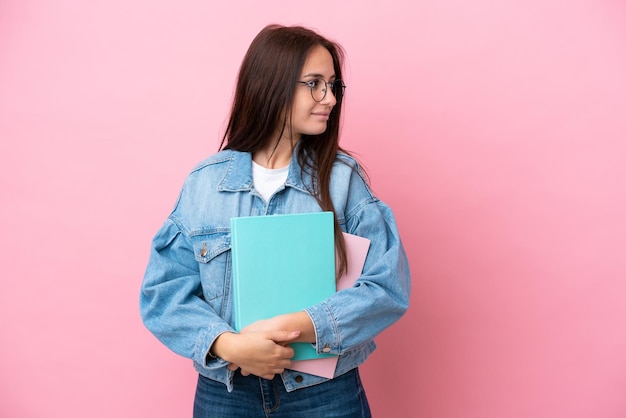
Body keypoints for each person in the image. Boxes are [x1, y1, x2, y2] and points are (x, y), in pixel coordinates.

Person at [140, 24, 411, 418]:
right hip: (227, 395)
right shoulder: (205, 184)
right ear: (273, 85)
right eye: (315, 83)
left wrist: (298, 326)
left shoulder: (343, 180)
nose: (330, 99)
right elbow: (162, 292)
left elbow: (388, 286)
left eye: (334, 85)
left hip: (325, 393)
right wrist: (230, 346)